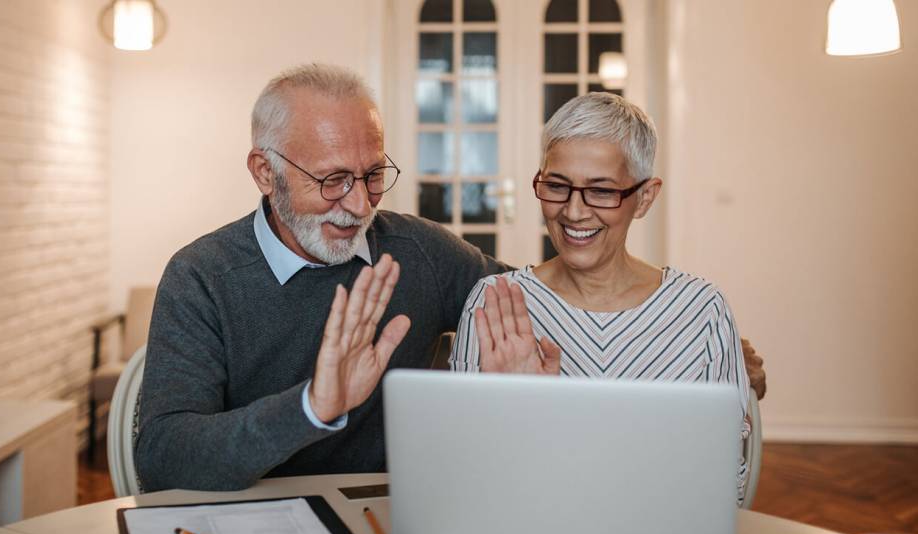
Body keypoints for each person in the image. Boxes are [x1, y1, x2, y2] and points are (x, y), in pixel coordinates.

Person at [136, 63, 767, 493]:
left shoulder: (418, 252)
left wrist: (707, 350)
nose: (359, 205)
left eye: (373, 175)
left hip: (385, 519)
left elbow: (547, 298)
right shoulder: (202, 277)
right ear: (262, 170)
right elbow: (163, 457)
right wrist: (312, 406)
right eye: (332, 180)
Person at [449, 92, 753, 502]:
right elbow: (462, 473)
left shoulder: (702, 311)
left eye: (602, 191)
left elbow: (725, 479)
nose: (574, 212)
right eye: (557, 186)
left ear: (644, 197)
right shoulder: (496, 303)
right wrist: (515, 412)